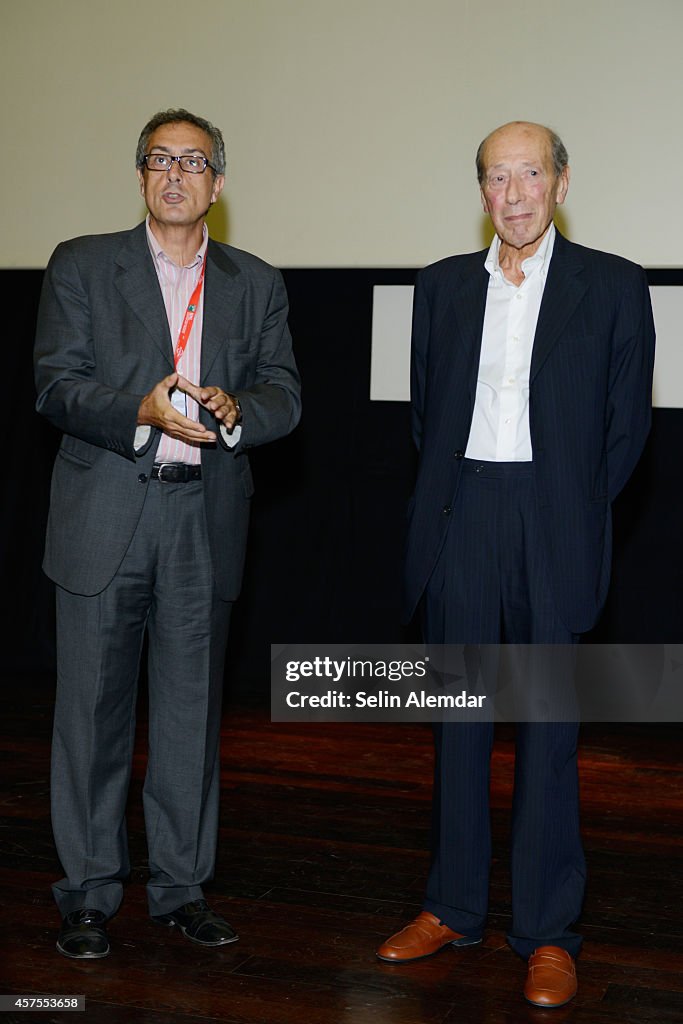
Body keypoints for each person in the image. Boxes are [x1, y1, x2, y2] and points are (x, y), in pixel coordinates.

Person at [376, 121, 655, 1007]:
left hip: (552, 520)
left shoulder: (612, 286)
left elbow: (625, 430)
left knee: (546, 736)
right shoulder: (439, 288)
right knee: (455, 723)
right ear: (482, 193)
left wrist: (564, 506)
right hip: (460, 516)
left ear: (560, 184)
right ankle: (452, 906)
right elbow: (426, 419)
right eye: (496, 177)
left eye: (528, 173)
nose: (513, 193)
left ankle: (545, 932)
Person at [34, 108, 301, 959]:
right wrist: (136, 410)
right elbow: (55, 385)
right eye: (160, 159)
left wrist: (237, 412)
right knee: (91, 718)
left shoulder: (255, 281)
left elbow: (284, 394)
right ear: (142, 176)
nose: (175, 174)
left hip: (202, 519)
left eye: (193, 162)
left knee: (190, 718)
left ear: (218, 185)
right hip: (105, 513)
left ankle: (181, 889)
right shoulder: (81, 264)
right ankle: (85, 894)